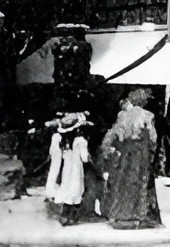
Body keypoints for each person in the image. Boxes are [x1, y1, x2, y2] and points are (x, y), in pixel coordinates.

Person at [99, 88, 163, 230]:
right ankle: (137, 215)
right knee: (139, 182)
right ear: (144, 100)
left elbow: (117, 134)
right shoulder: (147, 115)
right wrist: (152, 153)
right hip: (140, 151)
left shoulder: (123, 115)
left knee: (122, 181)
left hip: (125, 150)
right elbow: (153, 138)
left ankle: (120, 213)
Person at [45, 112, 91, 225]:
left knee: (67, 187)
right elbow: (84, 158)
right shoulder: (80, 141)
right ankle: (73, 216)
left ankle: (65, 215)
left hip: (67, 168)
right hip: (76, 168)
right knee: (76, 188)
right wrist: (89, 157)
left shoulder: (64, 142)